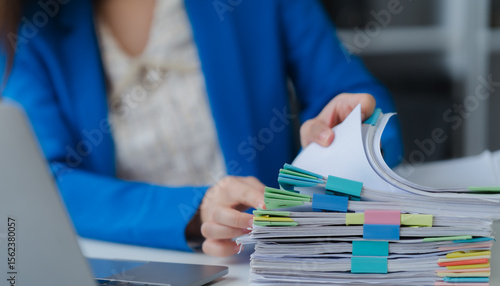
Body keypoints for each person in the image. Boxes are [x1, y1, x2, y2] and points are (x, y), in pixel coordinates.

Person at [0, 0, 403, 256]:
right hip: (129, 274)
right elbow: (41, 183)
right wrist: (195, 211)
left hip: (260, 265)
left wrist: (345, 135)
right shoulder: (30, 22)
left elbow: (361, 99)